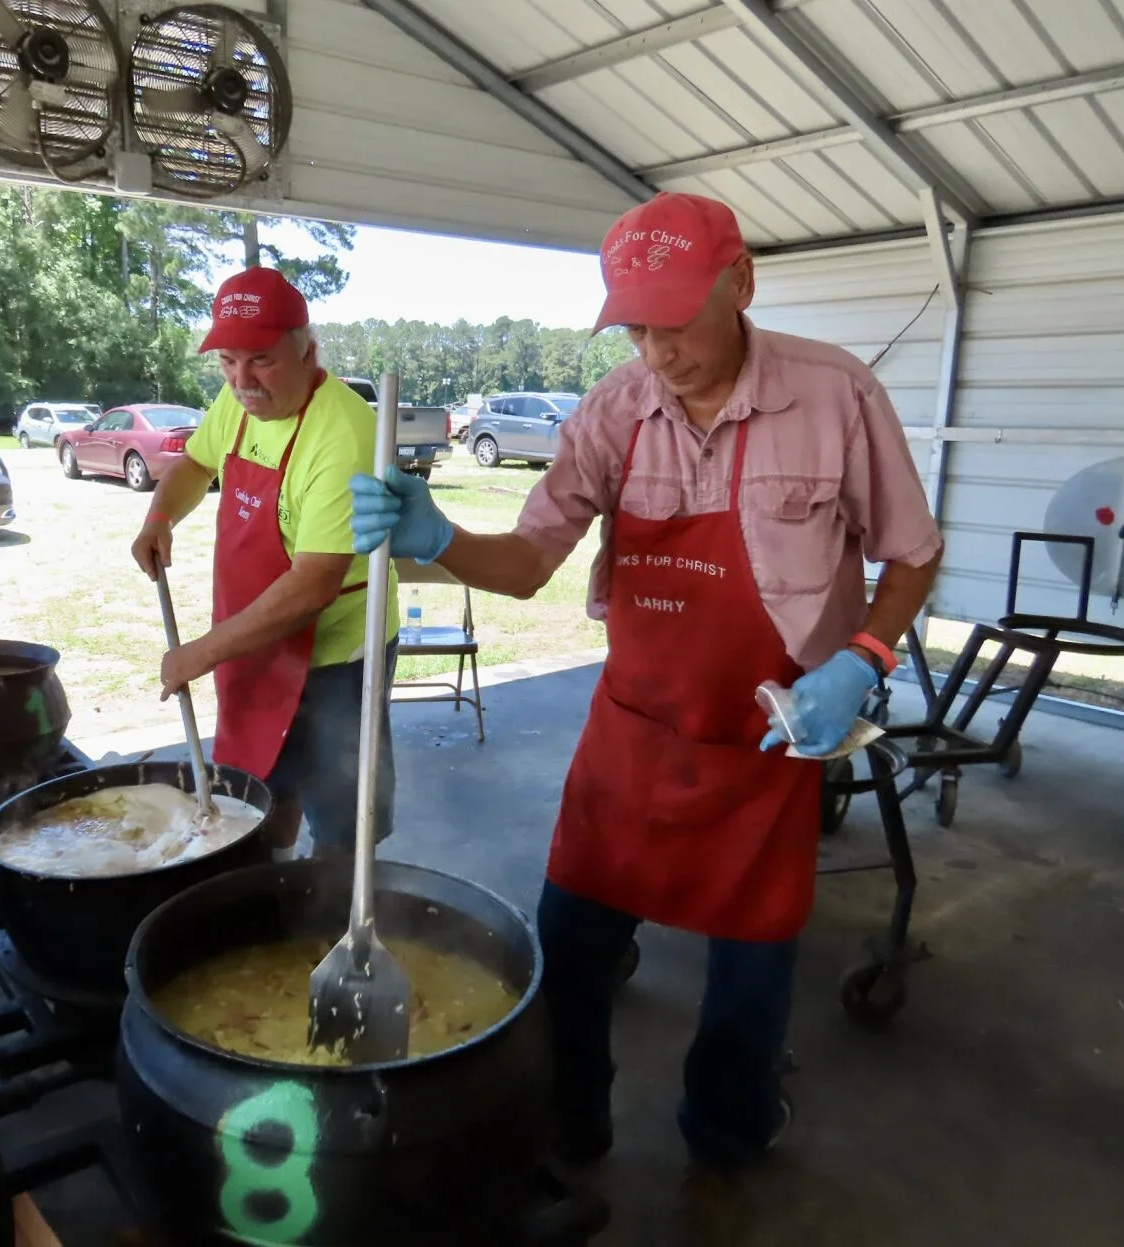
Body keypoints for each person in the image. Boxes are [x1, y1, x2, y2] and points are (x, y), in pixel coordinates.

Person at [349, 193, 942, 1181]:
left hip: (771, 744)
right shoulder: (612, 412)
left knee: (751, 975)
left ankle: (730, 1131)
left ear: (740, 282)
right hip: (632, 737)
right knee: (568, 948)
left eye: (676, 322)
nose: (657, 351)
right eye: (636, 327)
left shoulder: (836, 395)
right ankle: (571, 1123)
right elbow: (531, 558)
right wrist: (439, 537)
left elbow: (913, 555)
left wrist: (863, 659)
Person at [131, 267, 398, 857]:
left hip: (336, 655)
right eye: (228, 361)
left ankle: (331, 914)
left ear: (308, 351)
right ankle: (269, 876)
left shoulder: (345, 434)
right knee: (257, 786)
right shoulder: (237, 403)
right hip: (253, 636)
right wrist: (159, 518)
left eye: (261, 360)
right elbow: (198, 465)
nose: (242, 380)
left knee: (344, 809)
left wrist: (195, 655)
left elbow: (312, 586)